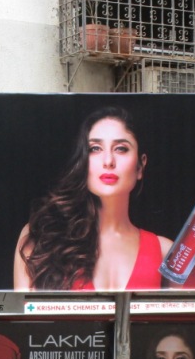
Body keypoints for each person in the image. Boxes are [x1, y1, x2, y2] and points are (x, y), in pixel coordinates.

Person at [13, 106, 172, 291]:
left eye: (121, 149)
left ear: (140, 165)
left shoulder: (164, 252)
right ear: (83, 160)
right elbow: (23, 317)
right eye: (95, 149)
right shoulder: (40, 236)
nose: (108, 161)